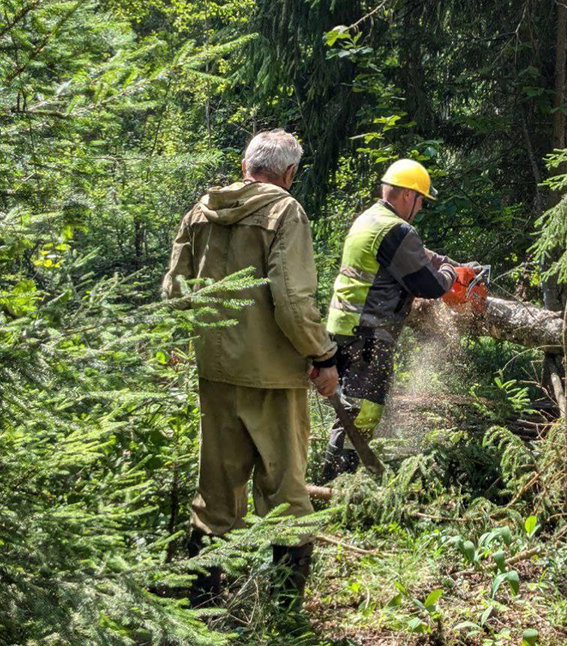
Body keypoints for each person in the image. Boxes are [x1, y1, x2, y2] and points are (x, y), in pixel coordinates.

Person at [162, 129, 339, 609]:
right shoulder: (285, 210)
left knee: (215, 497)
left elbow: (175, 294)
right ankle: (282, 616)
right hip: (273, 379)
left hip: (216, 375)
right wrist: (321, 355)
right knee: (286, 493)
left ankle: (202, 610)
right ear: (289, 173)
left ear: (246, 165)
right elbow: (292, 299)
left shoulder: (201, 211)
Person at [320, 158, 477, 481]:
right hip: (367, 334)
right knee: (362, 413)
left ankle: (342, 479)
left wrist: (436, 258)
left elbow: (404, 256)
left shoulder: (370, 220)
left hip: (346, 328)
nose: (419, 209)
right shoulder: (396, 229)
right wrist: (452, 273)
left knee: (353, 410)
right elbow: (428, 285)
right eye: (420, 201)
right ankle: (338, 486)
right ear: (408, 195)